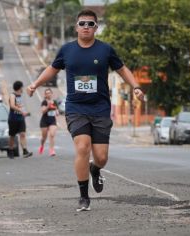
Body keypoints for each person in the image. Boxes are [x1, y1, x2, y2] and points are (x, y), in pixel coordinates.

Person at [27, 9, 144, 212]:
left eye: (90, 24)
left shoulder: (105, 50)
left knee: (101, 157)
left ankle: (95, 169)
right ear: (76, 27)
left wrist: (136, 86)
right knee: (83, 147)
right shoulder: (66, 50)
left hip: (100, 108)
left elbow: (122, 69)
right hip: (76, 108)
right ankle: (83, 196)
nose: (86, 27)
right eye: (82, 23)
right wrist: (35, 84)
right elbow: (52, 69)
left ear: (96, 28)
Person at [8, 81, 33, 159]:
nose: (23, 88)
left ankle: (25, 151)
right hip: (13, 118)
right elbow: (12, 106)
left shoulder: (21, 96)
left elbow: (20, 106)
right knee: (12, 136)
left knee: (22, 134)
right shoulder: (13, 95)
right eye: (22, 87)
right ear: (20, 87)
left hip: (20, 118)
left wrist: (25, 113)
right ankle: (11, 151)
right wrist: (21, 111)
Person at [38, 88, 59, 156]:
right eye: (46, 93)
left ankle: (52, 150)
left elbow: (57, 111)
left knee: (52, 135)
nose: (48, 94)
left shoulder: (55, 102)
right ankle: (42, 145)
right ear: (45, 95)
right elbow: (43, 111)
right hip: (44, 121)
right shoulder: (44, 102)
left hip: (52, 120)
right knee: (44, 137)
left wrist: (57, 112)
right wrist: (48, 106)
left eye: (49, 93)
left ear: (51, 93)